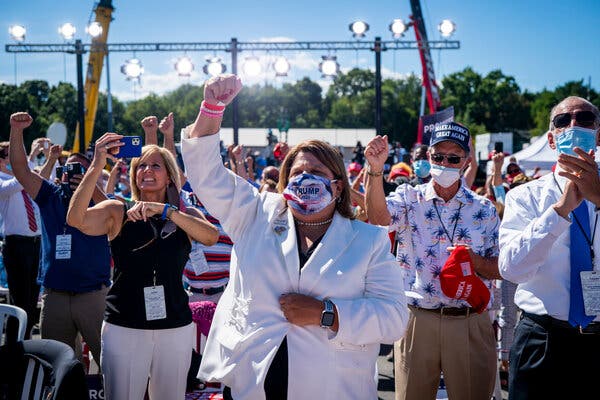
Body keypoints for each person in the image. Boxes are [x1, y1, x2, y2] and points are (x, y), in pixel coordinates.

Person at [181, 74, 408, 400]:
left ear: (338, 185)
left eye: (317, 174)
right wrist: (211, 109)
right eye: (298, 173)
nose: (306, 180)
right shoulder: (256, 213)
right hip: (253, 383)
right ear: (285, 182)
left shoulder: (367, 240)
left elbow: (394, 318)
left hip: (333, 387)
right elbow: (206, 175)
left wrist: (325, 313)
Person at [66, 133, 219, 400]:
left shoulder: (182, 215)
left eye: (156, 165)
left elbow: (210, 236)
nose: (147, 171)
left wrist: (166, 211)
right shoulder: (118, 210)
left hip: (175, 326)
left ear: (170, 175)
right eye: (141, 167)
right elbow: (76, 219)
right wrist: (96, 164)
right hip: (125, 327)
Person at [364, 122, 501, 400]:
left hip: (468, 320)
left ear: (466, 162)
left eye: (454, 158)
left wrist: (471, 261)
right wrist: (376, 169)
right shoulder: (408, 197)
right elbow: (378, 218)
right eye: (439, 157)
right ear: (428, 157)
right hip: (418, 318)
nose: (445, 163)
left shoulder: (484, 209)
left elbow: (500, 267)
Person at [499, 96, 600, 399]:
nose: (573, 125)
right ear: (552, 140)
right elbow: (512, 269)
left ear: (598, 133)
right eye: (563, 121)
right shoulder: (524, 197)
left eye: (584, 119)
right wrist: (559, 211)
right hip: (541, 339)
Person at [9, 112, 111, 366]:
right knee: (58, 370)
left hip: (93, 296)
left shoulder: (101, 202)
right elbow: (21, 170)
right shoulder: (50, 195)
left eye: (83, 171)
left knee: (111, 365)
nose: (74, 174)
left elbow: (118, 214)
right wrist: (16, 131)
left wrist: (91, 187)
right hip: (55, 297)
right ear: (61, 173)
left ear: (94, 173)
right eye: (70, 169)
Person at [0, 141, 42, 340]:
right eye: (11, 156)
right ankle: (12, 346)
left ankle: (25, 343)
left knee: (32, 301)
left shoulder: (21, 180)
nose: (15, 160)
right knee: (20, 301)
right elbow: (16, 184)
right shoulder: (3, 181)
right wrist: (31, 157)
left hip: (35, 244)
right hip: (16, 244)